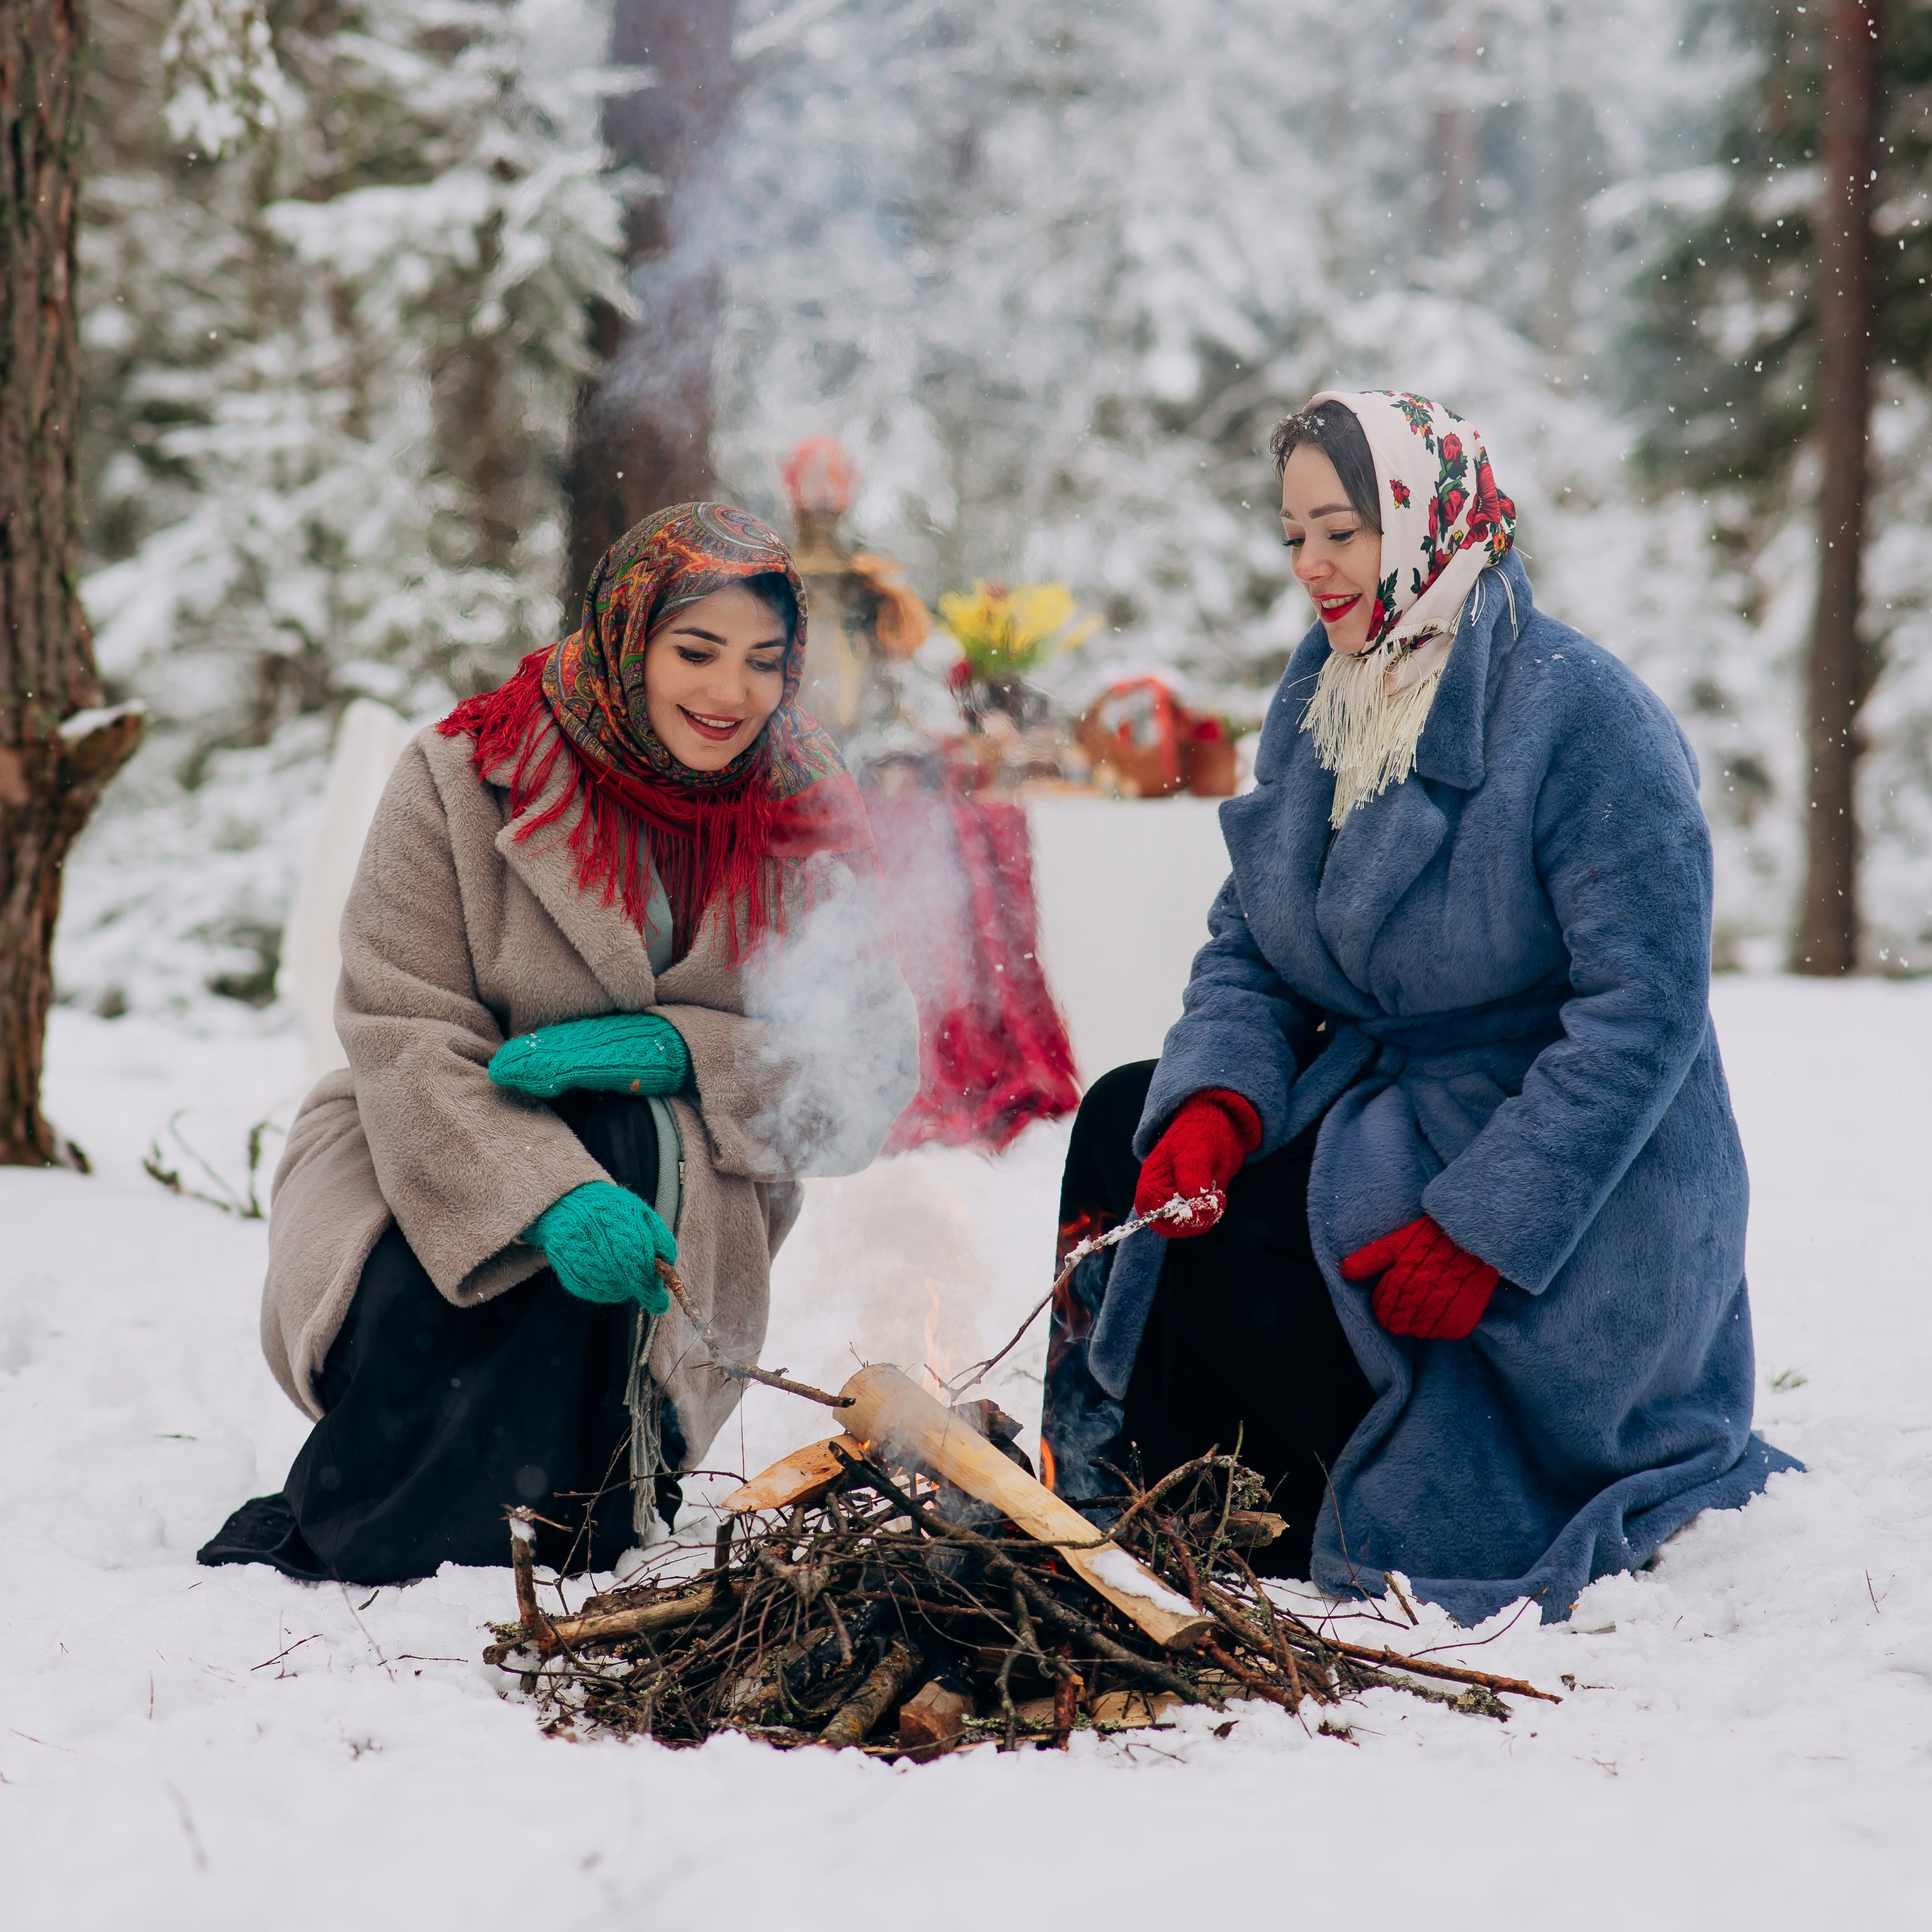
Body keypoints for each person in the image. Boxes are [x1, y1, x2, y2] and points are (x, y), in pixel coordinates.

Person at [1041, 391, 1796, 1625]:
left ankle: (1287, 1497)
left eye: (1341, 532)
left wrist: (1488, 1226)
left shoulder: (1583, 715)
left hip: (1576, 1180)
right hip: (1389, 1108)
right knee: (1131, 1124)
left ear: (1425, 522)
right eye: (1293, 535)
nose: (1312, 565)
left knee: (1296, 1255)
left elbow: (1642, 1015)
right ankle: (1122, 1489)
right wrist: (1221, 1103)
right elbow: (1252, 945)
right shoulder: (1326, 696)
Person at [201, 503, 918, 1584]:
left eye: (764, 662)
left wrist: (684, 1055)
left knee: (634, 1137)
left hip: (682, 1200)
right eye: (696, 651)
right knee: (484, 1272)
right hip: (426, 1163)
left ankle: (573, 1495)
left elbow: (870, 1073)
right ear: (629, 635)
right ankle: (420, 1510)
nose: (731, 693)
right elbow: (401, 1028)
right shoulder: (464, 771)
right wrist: (545, 1195)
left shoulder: (805, 811)